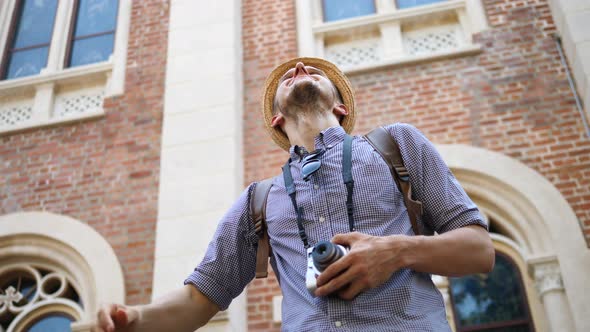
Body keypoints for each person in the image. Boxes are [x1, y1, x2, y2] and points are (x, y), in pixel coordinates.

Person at [93, 57, 494, 332]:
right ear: (276, 118)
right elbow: (200, 300)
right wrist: (135, 318)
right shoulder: (258, 201)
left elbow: (479, 250)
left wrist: (395, 252)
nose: (300, 67)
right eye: (289, 74)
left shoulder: (398, 145)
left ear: (339, 107)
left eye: (315, 70)